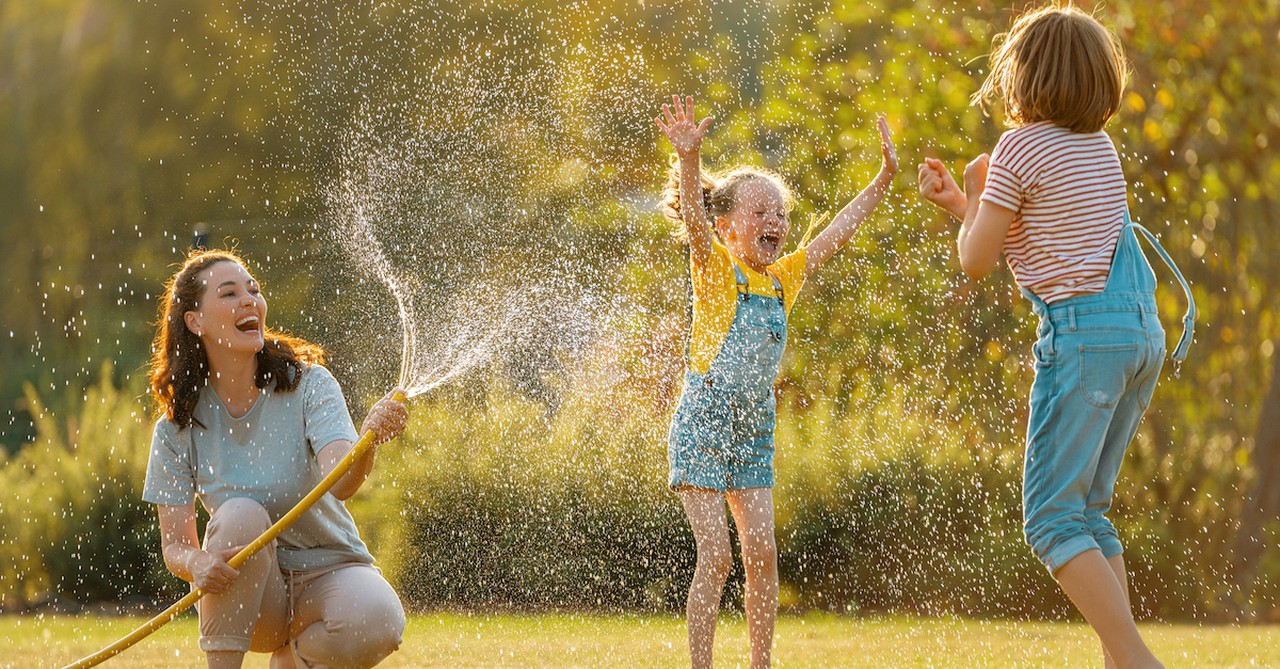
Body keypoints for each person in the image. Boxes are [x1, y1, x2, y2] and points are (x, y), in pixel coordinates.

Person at [918, 6, 1194, 669]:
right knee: (1089, 512)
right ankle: (1120, 661)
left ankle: (1136, 660)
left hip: (1083, 344)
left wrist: (978, 193)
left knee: (1050, 518)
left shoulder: (1019, 147)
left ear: (1024, 75)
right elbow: (1041, 234)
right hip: (1138, 335)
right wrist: (971, 204)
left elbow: (976, 260)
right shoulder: (1096, 149)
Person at [655, 95, 897, 669]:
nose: (774, 223)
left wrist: (883, 179)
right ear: (727, 226)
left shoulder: (784, 278)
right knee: (716, 556)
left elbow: (837, 231)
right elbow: (692, 219)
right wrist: (689, 160)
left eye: (780, 215)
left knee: (761, 553)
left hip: (753, 429)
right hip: (704, 423)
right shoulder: (716, 267)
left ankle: (761, 664)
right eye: (759, 213)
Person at [142, 249, 409, 669]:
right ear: (195, 322)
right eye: (229, 293)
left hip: (331, 571)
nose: (250, 300)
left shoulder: (309, 384)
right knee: (238, 515)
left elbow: (341, 484)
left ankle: (293, 662)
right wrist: (198, 563)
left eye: (254, 290)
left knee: (379, 620)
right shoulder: (176, 428)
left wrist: (368, 440)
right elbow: (175, 546)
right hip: (253, 598)